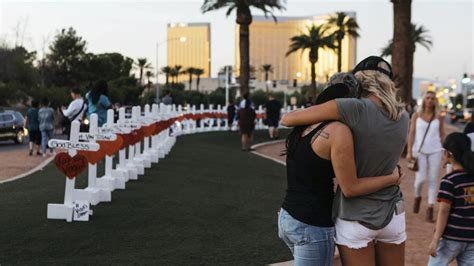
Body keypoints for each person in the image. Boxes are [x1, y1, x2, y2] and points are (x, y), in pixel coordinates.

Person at [281, 56, 409, 266]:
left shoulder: (353, 108)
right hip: (393, 211)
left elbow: (288, 119)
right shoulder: (404, 116)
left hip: (355, 214)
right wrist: (393, 177)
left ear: (360, 80)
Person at [428, 132, 474, 266]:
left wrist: (435, 239)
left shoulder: (449, 181)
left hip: (451, 237)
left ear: (449, 154)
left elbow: (443, 212)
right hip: (471, 237)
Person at [406, 91, 446, 222]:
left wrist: (445, 151)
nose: (430, 100)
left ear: (435, 101)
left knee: (433, 179)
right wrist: (409, 152)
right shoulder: (416, 115)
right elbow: (411, 133)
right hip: (420, 151)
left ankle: (430, 208)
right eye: (428, 98)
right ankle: (417, 197)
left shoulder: (438, 117)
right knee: (420, 180)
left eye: (432, 98)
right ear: (424, 100)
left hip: (435, 150)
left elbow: (442, 135)